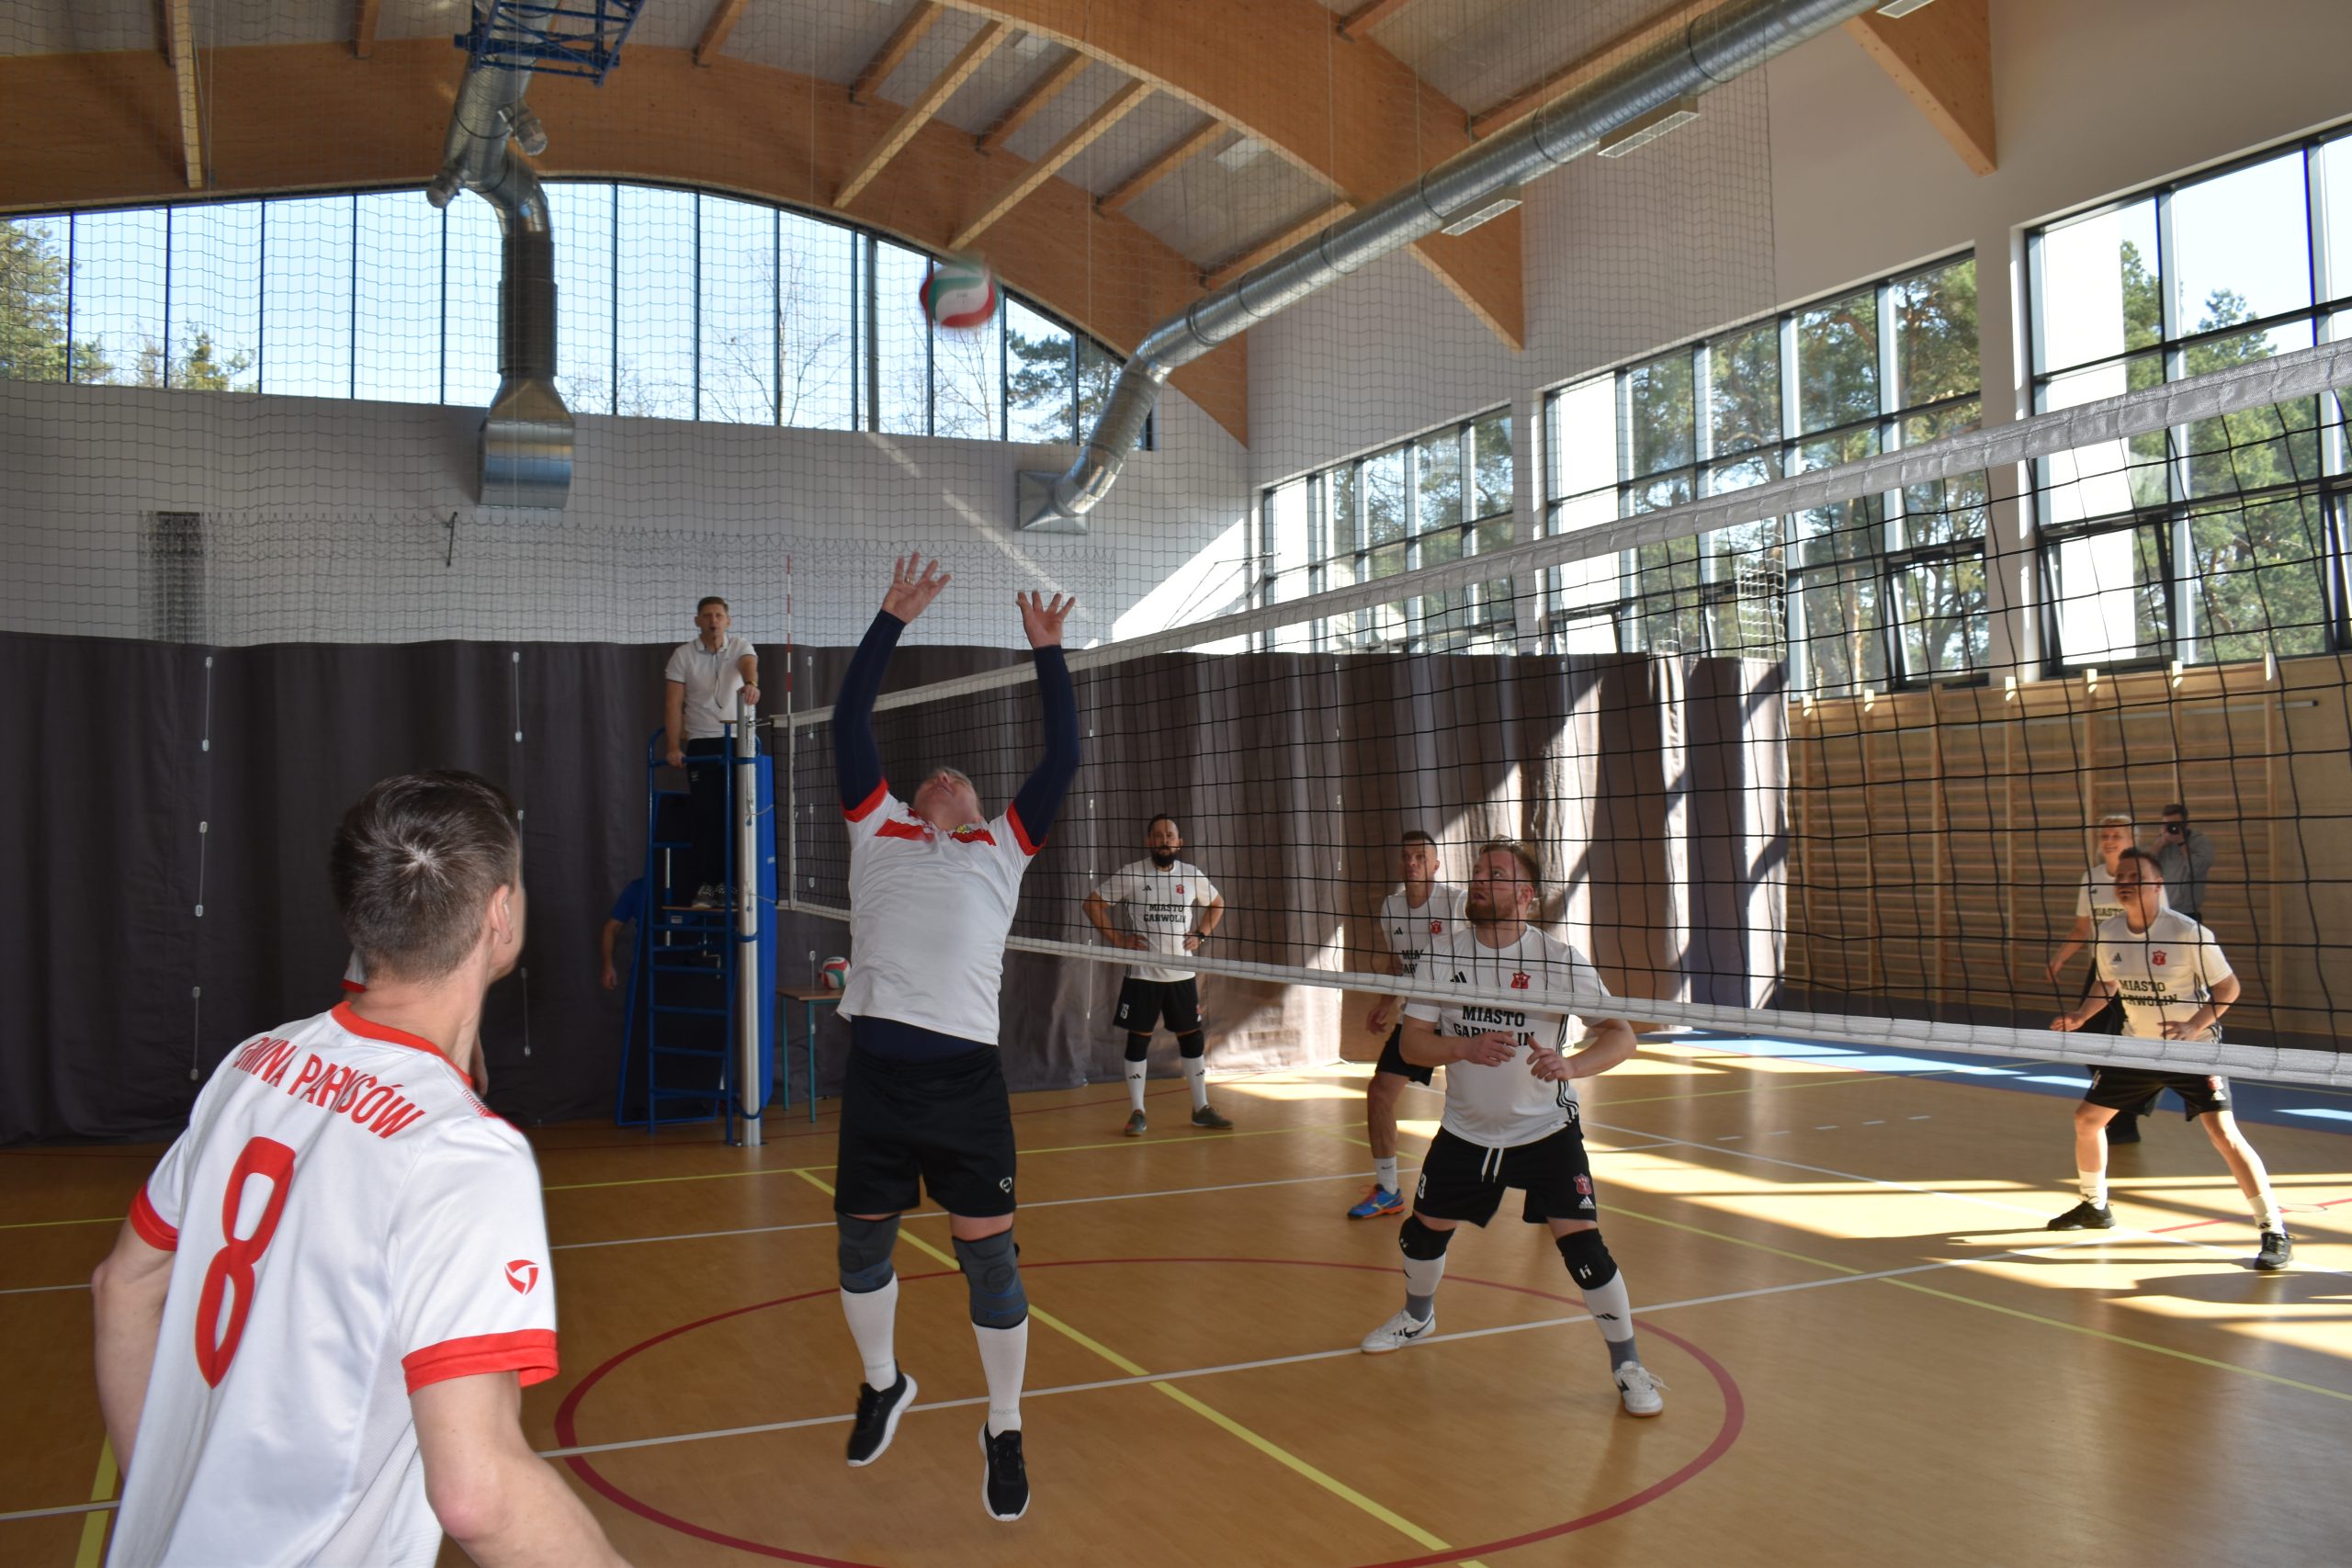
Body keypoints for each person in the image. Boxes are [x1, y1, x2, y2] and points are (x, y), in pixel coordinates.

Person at [91, 772, 629, 1567]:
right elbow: (479, 1493)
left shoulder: (253, 1064)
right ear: (501, 913)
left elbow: (122, 1285)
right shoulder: (460, 1151)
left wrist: (170, 1502)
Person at [827, 555, 1079, 1524]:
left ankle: (1004, 1427)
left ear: (977, 809)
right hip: (879, 1077)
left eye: (960, 779)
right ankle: (883, 1382)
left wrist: (1046, 652)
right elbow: (851, 722)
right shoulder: (876, 826)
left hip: (965, 1085)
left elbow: (1061, 758)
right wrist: (888, 619)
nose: (944, 777)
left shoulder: (1003, 847)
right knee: (861, 1244)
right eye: (933, 774)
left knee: (990, 1261)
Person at [1358, 841, 1666, 1418]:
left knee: (1585, 1249)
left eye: (1495, 875)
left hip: (1545, 1130)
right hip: (1466, 1131)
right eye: (1477, 872)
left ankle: (1628, 1364)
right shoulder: (1441, 956)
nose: (1479, 880)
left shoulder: (1559, 960)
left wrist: (1573, 1066)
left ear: (1525, 896)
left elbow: (1620, 1034)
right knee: (1421, 1237)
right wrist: (1463, 1047)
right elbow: (1412, 1043)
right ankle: (1418, 1317)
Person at [2047, 847, 2291, 1269]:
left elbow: (2229, 989)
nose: (2125, 882)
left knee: (2224, 1134)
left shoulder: (2187, 932)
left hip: (2193, 1050)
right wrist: (2082, 1015)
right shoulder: (2109, 932)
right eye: (2120, 877)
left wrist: (2194, 1026)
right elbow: (2108, 983)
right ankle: (2095, 1206)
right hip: (2138, 1048)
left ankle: (2274, 1230)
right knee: (2087, 1120)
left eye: (2135, 876)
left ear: (2157, 884)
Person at [1083, 816, 1230, 1135]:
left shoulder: (1191, 875)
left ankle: (1201, 1108)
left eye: (1170, 835)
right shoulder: (1133, 873)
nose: (1165, 840)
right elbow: (1092, 904)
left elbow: (1218, 904)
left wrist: (1201, 934)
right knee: (1139, 1039)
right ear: (1149, 841)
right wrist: (1119, 940)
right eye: (1159, 835)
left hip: (1182, 974)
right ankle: (1138, 1111)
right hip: (1143, 975)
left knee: (1192, 1038)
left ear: (1179, 842)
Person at [1347, 830, 1464, 1220]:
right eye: (1406, 857)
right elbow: (1398, 963)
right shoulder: (1391, 906)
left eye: (1420, 857)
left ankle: (1546, 1186)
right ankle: (1388, 1190)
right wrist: (1385, 1003)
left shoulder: (1456, 903)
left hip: (1462, 1016)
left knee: (1498, 1105)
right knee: (1380, 1092)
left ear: (1435, 864)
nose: (1412, 863)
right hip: (1419, 1016)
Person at [2045, 814, 2146, 1145]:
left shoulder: (2144, 876)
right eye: (2105, 835)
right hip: (2102, 971)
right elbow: (2081, 929)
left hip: (2136, 972)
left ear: (2131, 840)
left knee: (2127, 1043)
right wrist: (2061, 957)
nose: (2109, 840)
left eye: (2117, 835)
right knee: (2087, 1037)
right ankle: (2120, 1109)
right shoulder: (2091, 878)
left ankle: (2124, 1120)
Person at [663, 595, 761, 909]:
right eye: (707, 615)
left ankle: (733, 886)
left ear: (727, 621)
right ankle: (708, 885)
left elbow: (748, 664)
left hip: (737, 742)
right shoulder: (683, 655)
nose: (713, 620)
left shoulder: (740, 646)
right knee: (707, 817)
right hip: (702, 743)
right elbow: (673, 704)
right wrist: (673, 747)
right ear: (698, 621)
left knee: (738, 815)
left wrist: (751, 683)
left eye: (718, 615)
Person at [2150, 803, 2216, 922]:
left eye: (2175, 824)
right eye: (2167, 824)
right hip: (2161, 910)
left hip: (2188, 912)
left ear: (2185, 824)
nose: (2171, 828)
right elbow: (2146, 868)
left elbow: (2196, 869)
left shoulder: (2199, 842)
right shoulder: (2161, 843)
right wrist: (2159, 844)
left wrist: (2181, 843)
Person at [599, 875, 648, 991]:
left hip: (684, 964)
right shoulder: (639, 887)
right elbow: (611, 928)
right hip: (646, 967)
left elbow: (611, 928)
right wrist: (608, 966)